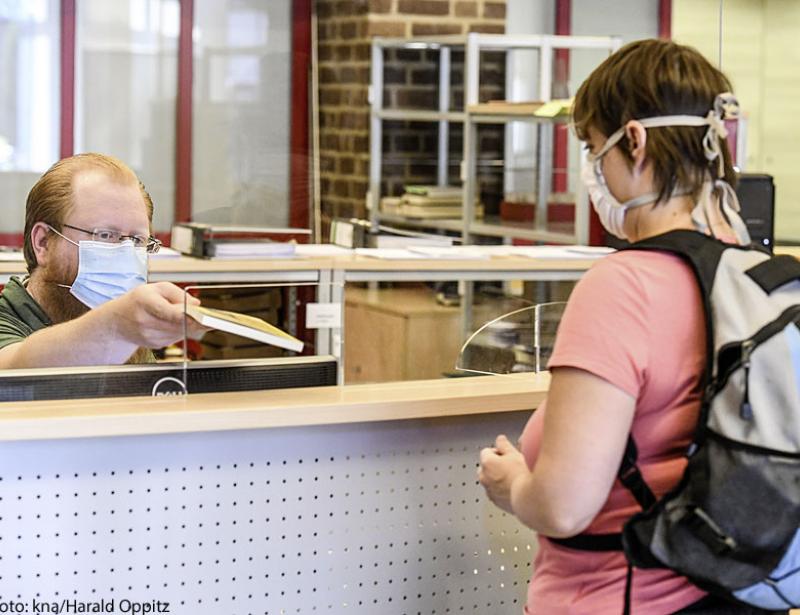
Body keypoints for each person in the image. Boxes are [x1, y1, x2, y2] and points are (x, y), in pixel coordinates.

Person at [477, 39, 785, 614]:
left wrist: (514, 484)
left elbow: (563, 506)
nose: (594, 171)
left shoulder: (625, 285)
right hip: (736, 596)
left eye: (595, 147)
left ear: (635, 140)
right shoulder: (754, 278)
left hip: (624, 599)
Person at [0, 153, 205, 368]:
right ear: (43, 243)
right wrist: (117, 325)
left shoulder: (128, 336)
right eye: (105, 235)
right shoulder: (8, 321)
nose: (126, 255)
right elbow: (14, 367)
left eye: (137, 239)